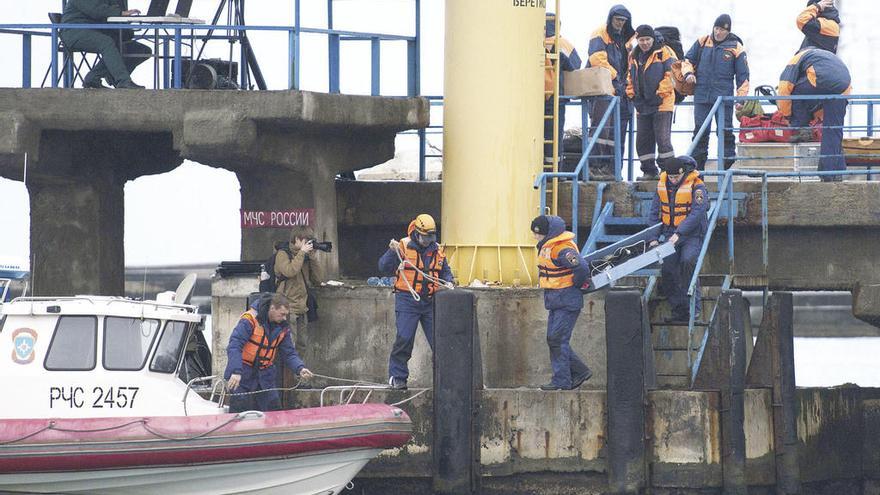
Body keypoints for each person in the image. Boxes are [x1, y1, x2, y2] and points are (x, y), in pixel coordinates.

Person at [378, 214, 453, 390]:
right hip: (407, 300)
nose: (428, 240)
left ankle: (447, 379)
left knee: (440, 341)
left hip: (429, 302)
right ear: (416, 233)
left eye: (431, 236)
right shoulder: (402, 246)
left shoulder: (438, 251)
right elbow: (383, 267)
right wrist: (391, 252)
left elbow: (445, 271)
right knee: (404, 339)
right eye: (425, 236)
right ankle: (398, 377)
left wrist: (449, 280)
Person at [681, 14, 750, 171]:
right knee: (700, 131)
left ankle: (727, 166)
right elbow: (687, 60)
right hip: (702, 96)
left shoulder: (736, 47)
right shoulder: (703, 41)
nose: (718, 32)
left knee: (725, 131)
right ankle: (697, 169)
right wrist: (688, 73)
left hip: (723, 98)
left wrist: (741, 99)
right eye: (716, 28)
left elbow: (743, 77)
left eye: (722, 30)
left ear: (728, 31)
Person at [531, 215, 592, 391]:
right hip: (557, 300)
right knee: (554, 339)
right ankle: (579, 372)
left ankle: (562, 380)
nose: (536, 238)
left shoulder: (561, 249)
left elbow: (581, 267)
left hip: (567, 299)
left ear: (548, 233)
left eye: (538, 234)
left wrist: (578, 284)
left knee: (557, 339)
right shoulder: (549, 246)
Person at [224, 294, 313, 413]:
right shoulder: (249, 320)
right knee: (239, 406)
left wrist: (300, 368)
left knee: (273, 408)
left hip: (265, 374)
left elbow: (289, 353)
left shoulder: (282, 328)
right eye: (282, 314)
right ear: (272, 309)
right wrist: (236, 371)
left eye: (286, 314)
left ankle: (274, 430)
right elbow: (234, 345)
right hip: (244, 371)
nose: (285, 318)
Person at [648, 156, 709, 322]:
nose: (673, 180)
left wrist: (680, 233)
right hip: (670, 232)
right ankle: (679, 309)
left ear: (683, 173)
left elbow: (698, 213)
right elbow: (654, 212)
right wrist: (653, 238)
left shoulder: (697, 186)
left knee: (687, 261)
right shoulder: (663, 185)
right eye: (671, 177)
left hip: (692, 234)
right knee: (668, 268)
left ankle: (694, 309)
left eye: (676, 177)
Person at [777, 48, 851, 181]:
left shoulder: (796, 59)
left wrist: (787, 115)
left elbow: (784, 88)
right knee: (833, 131)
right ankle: (832, 174)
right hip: (844, 86)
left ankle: (802, 130)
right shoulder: (824, 56)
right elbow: (822, 104)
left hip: (822, 77)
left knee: (795, 95)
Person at [585, 5, 635, 180]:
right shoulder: (600, 34)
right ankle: (593, 166)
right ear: (611, 19)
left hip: (619, 92)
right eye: (617, 20)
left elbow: (630, 63)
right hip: (602, 89)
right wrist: (616, 78)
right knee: (601, 129)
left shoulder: (626, 40)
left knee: (615, 133)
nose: (620, 24)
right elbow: (597, 59)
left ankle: (610, 169)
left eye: (623, 21)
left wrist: (626, 83)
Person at [60, 0, 151, 89]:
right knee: (106, 43)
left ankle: (97, 77)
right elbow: (96, 10)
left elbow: (111, 10)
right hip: (74, 31)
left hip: (94, 30)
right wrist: (121, 13)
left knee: (140, 49)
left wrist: (125, 22)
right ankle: (123, 80)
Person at [626, 25, 677, 180]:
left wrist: (659, 94)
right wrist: (633, 96)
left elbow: (672, 75)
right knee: (642, 140)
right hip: (642, 105)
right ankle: (649, 171)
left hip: (662, 103)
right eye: (641, 40)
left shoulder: (664, 52)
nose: (645, 43)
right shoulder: (634, 55)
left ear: (653, 38)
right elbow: (629, 77)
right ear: (637, 40)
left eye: (647, 39)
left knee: (663, 140)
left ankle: (669, 173)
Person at [274, 225, 324, 350]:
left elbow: (318, 279)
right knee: (288, 346)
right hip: (286, 307)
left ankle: (298, 369)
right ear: (296, 239)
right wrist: (301, 253)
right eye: (305, 241)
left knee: (302, 345)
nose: (308, 244)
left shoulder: (305, 257)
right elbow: (290, 271)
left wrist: (312, 258)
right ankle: (287, 370)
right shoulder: (282, 254)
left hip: (302, 307)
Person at [544, 13, 582, 166]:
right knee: (554, 134)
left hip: (531, 97)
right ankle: (554, 171)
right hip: (554, 97)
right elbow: (575, 64)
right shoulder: (561, 43)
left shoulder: (529, 40)